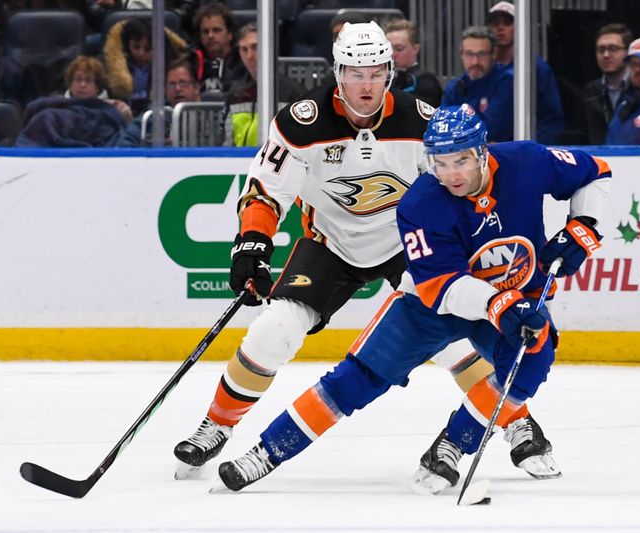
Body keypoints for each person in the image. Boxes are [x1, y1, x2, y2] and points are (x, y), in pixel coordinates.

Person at [210, 103, 612, 493]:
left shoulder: (527, 161)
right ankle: (267, 452)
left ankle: (452, 445)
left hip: (511, 298)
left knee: (534, 351)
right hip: (432, 307)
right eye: (440, 162)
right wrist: (496, 304)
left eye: (460, 161)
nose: (450, 174)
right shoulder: (420, 203)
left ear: (482, 151)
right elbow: (443, 286)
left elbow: (596, 173)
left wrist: (584, 225)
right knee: (359, 380)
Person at [172, 22, 494, 479]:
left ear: (390, 71)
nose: (367, 84)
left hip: (406, 241)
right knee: (274, 329)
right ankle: (216, 426)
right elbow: (266, 190)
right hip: (331, 243)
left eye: (376, 71)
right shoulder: (301, 123)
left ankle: (516, 421)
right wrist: (251, 245)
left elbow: (458, 184)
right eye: (356, 73)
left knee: (451, 338)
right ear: (338, 73)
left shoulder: (422, 122)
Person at [485, 1, 564, 144]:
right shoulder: (483, 68)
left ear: (520, 26)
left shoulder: (536, 69)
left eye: (508, 22)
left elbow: (551, 119)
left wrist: (531, 150)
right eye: (495, 23)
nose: (500, 28)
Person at [222, 23, 305, 147]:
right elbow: (226, 142)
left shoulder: (294, 92)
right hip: (241, 163)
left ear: (269, 47)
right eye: (244, 49)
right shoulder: (235, 94)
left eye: (255, 47)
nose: (249, 56)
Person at [441, 26, 513, 142]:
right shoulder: (454, 87)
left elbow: (491, 130)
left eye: (482, 54)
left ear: (493, 54)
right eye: (469, 54)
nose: (475, 61)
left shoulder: (506, 81)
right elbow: (442, 128)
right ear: (461, 54)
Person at [103, 17, 187, 116]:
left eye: (148, 49)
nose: (141, 53)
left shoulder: (170, 66)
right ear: (127, 44)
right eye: (136, 47)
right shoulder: (109, 67)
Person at [116, 59, 202, 147]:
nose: (177, 89)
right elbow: (125, 141)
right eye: (172, 84)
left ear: (196, 88)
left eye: (183, 83)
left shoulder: (210, 114)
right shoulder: (156, 114)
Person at [583, 23, 634, 145]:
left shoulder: (639, 87)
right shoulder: (591, 91)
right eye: (601, 50)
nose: (606, 55)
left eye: (613, 49)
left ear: (628, 52)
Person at [187, 2, 243, 97]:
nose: (210, 36)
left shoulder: (242, 61)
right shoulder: (191, 61)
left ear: (230, 34)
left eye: (216, 30)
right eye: (205, 31)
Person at [383, 18, 442, 107]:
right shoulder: (380, 78)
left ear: (416, 48)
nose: (392, 54)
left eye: (399, 48)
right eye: (388, 49)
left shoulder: (426, 81)